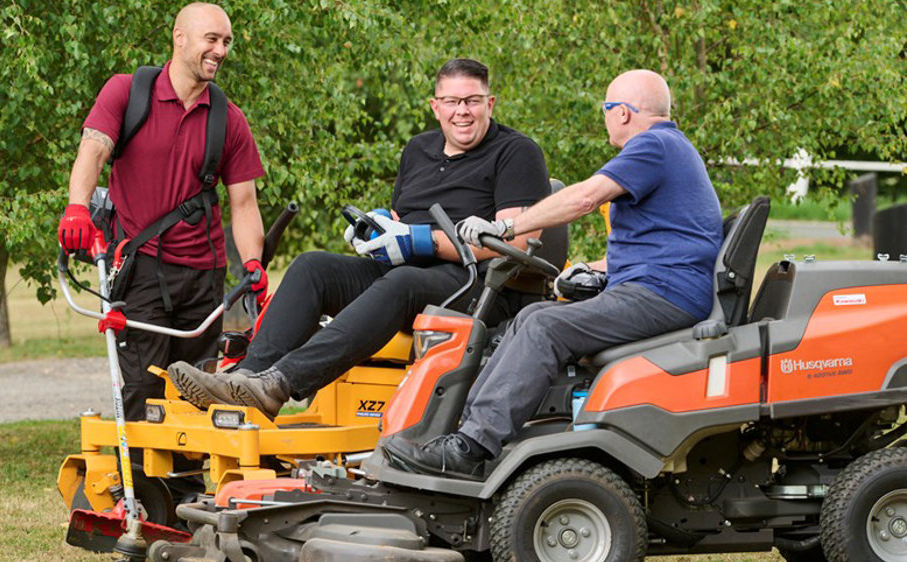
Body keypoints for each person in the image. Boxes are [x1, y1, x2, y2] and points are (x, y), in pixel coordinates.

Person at [384, 69, 723, 478]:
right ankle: (467, 434)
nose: (606, 117)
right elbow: (665, 242)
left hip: (663, 295)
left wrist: (505, 227)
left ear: (624, 114)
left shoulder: (653, 146)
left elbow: (584, 197)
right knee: (529, 316)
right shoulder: (671, 149)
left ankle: (472, 447)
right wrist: (591, 269)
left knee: (545, 327)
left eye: (607, 108)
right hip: (657, 286)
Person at [167, 58, 551, 419]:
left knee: (403, 281)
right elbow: (404, 214)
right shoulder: (418, 149)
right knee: (312, 266)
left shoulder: (516, 153)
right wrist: (381, 226)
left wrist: (423, 241)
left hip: (476, 285)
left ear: (491, 102)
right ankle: (245, 379)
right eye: (452, 101)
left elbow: (517, 242)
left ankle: (279, 384)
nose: (462, 111)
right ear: (436, 106)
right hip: (408, 275)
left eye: (472, 101)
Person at [57, 3, 266, 494]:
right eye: (211, 39)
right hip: (142, 270)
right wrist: (76, 207)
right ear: (179, 38)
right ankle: (141, 498)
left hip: (205, 275)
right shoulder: (128, 92)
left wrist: (254, 264)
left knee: (196, 392)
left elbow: (244, 204)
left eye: (227, 42)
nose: (220, 50)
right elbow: (93, 148)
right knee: (143, 387)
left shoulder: (228, 120)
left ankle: (190, 497)